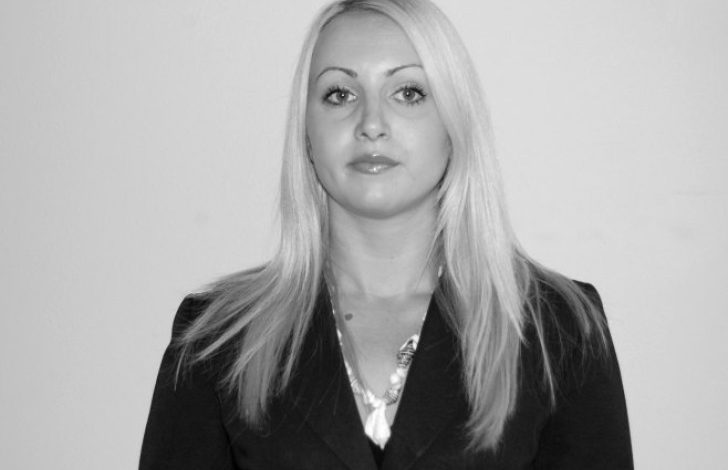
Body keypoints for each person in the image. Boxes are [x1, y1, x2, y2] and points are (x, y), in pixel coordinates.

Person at [140, 0, 633, 468]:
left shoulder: (561, 332)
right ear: (306, 134)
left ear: (454, 124)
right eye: (340, 94)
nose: (371, 124)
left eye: (408, 93)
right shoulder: (216, 339)